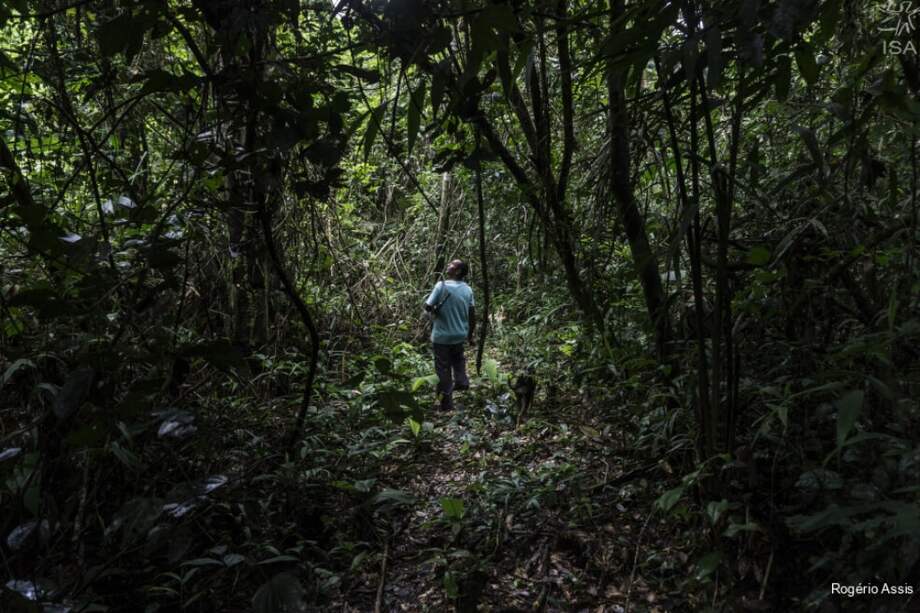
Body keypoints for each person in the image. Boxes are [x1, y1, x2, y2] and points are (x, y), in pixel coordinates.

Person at [424, 259, 475, 411]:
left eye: (451, 265)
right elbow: (472, 314)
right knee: (458, 360)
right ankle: (461, 380)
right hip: (459, 334)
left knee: (443, 369)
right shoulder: (468, 289)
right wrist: (470, 335)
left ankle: (446, 405)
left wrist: (434, 311)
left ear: (458, 271)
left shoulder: (441, 286)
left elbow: (427, 306)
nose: (448, 265)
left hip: (442, 336)